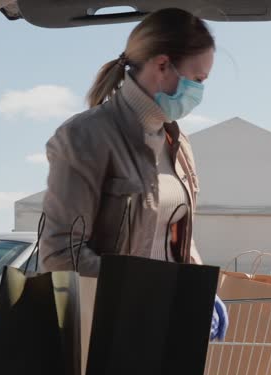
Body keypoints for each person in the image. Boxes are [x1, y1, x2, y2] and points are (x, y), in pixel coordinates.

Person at [39, 8, 227, 341]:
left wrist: (198, 288)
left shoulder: (178, 143)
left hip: (165, 321)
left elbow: (173, 234)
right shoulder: (84, 137)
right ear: (161, 65)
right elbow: (60, 253)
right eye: (197, 80)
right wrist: (152, 289)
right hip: (105, 330)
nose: (200, 92)